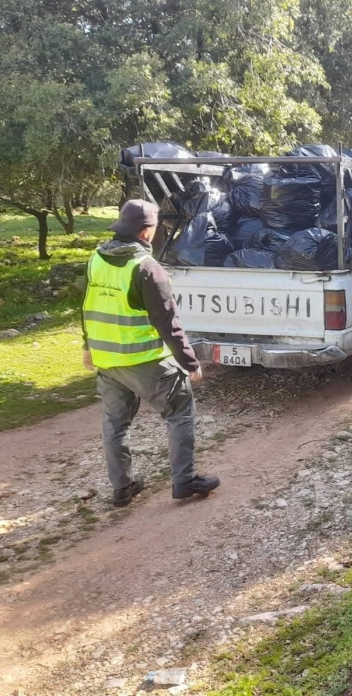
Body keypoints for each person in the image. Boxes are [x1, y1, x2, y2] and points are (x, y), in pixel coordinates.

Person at [82, 199, 220, 507]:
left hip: (107, 360)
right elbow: (167, 322)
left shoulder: (96, 258)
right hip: (144, 360)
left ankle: (122, 487)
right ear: (147, 231)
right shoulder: (147, 268)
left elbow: (88, 306)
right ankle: (184, 481)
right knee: (179, 412)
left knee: (115, 424)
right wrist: (189, 362)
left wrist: (87, 347)